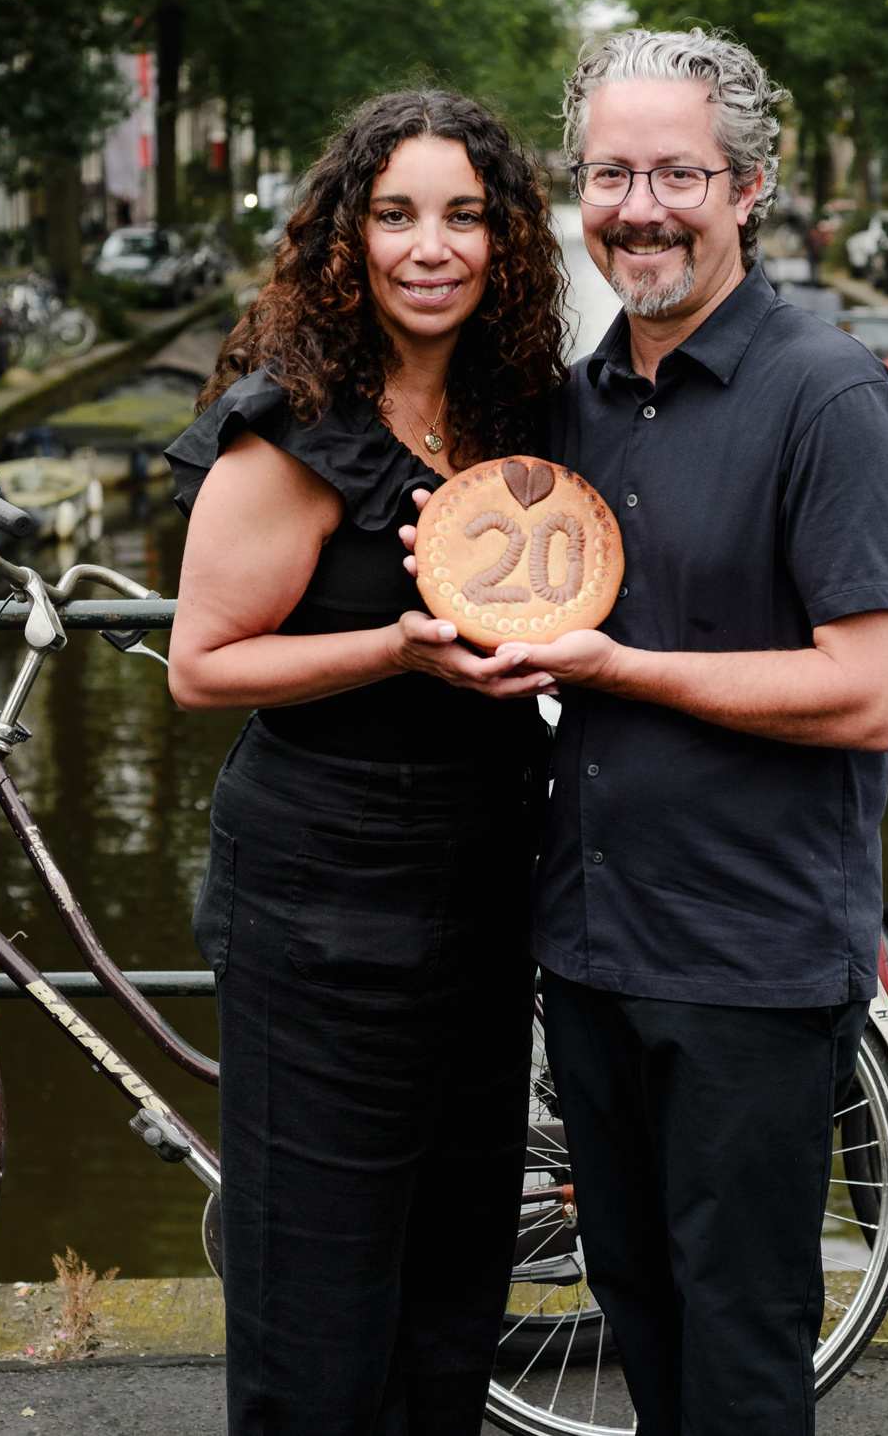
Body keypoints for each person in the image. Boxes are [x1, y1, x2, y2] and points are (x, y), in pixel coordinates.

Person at [484, 29, 888, 1435]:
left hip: (744, 960)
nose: (640, 205)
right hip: (593, 943)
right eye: (610, 171)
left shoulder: (830, 395)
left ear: (747, 187)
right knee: (643, 1318)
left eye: (679, 171)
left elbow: (870, 689)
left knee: (739, 1346)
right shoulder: (576, 400)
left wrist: (621, 664)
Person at [164, 90, 568, 1436]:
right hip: (322, 901)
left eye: (465, 214)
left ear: (508, 240)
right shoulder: (295, 429)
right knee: (317, 1306)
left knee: (454, 1288)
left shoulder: (516, 418)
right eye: (396, 214)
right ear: (348, 238)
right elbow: (202, 665)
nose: (431, 244)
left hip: (482, 884)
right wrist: (392, 647)